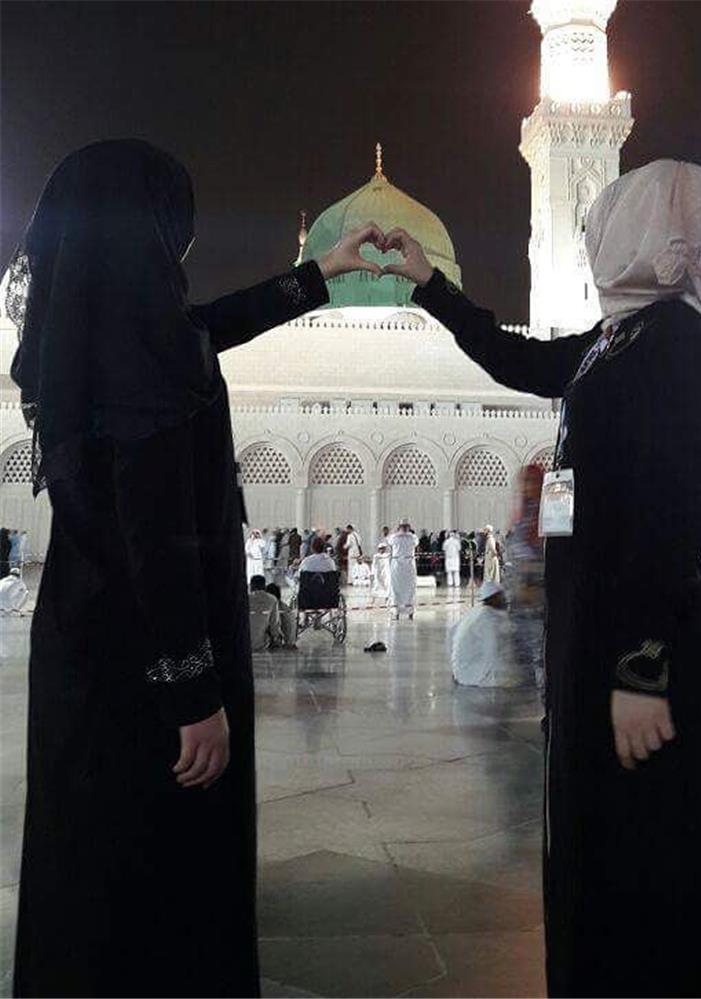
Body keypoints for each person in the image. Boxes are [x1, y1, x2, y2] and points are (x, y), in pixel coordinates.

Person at [383, 159, 701, 997]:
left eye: (613, 220)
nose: (595, 235)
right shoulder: (617, 338)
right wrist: (430, 286)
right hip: (592, 638)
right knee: (603, 853)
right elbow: (518, 359)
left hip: (641, 655)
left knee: (656, 865)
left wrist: (641, 672)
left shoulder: (677, 340)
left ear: (654, 235)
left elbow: (665, 514)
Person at [7, 138, 384, 998]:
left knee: (88, 861)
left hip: (83, 656)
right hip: (149, 674)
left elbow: (206, 326)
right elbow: (156, 537)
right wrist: (193, 692)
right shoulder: (146, 362)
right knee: (159, 879)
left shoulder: (90, 349)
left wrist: (320, 273)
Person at [507, 465, 546, 688]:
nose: (527, 487)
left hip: (535, 584)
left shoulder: (545, 511)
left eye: (532, 481)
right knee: (521, 636)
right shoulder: (523, 513)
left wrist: (530, 580)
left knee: (537, 638)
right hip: (520, 586)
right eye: (524, 482)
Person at [449, 580, 524, 687]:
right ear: (493, 598)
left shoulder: (477, 612)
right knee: (518, 679)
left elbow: (451, 633)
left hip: (462, 670)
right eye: (501, 597)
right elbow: (492, 651)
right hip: (472, 674)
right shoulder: (486, 619)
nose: (505, 600)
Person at [388, 519, 418, 620]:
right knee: (396, 588)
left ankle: (409, 611)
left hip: (408, 564)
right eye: (403, 526)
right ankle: (396, 611)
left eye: (406, 526)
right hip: (398, 565)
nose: (404, 528)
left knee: (409, 589)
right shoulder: (409, 537)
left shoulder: (411, 537)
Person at [248, 574, 281, 652]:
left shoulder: (245, 598)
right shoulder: (272, 599)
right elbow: (274, 623)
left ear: (251, 586)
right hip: (262, 644)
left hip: (244, 643)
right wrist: (276, 639)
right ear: (264, 586)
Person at [265, 582, 298, 648]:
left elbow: (274, 628)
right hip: (291, 643)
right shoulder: (285, 607)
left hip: (281, 645)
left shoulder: (273, 607)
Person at [371, 541, 391, 606]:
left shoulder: (387, 555)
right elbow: (374, 565)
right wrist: (372, 573)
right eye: (381, 548)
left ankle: (387, 600)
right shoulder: (376, 556)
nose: (383, 550)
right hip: (378, 573)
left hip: (386, 573)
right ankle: (373, 600)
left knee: (387, 585)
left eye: (384, 548)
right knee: (376, 586)